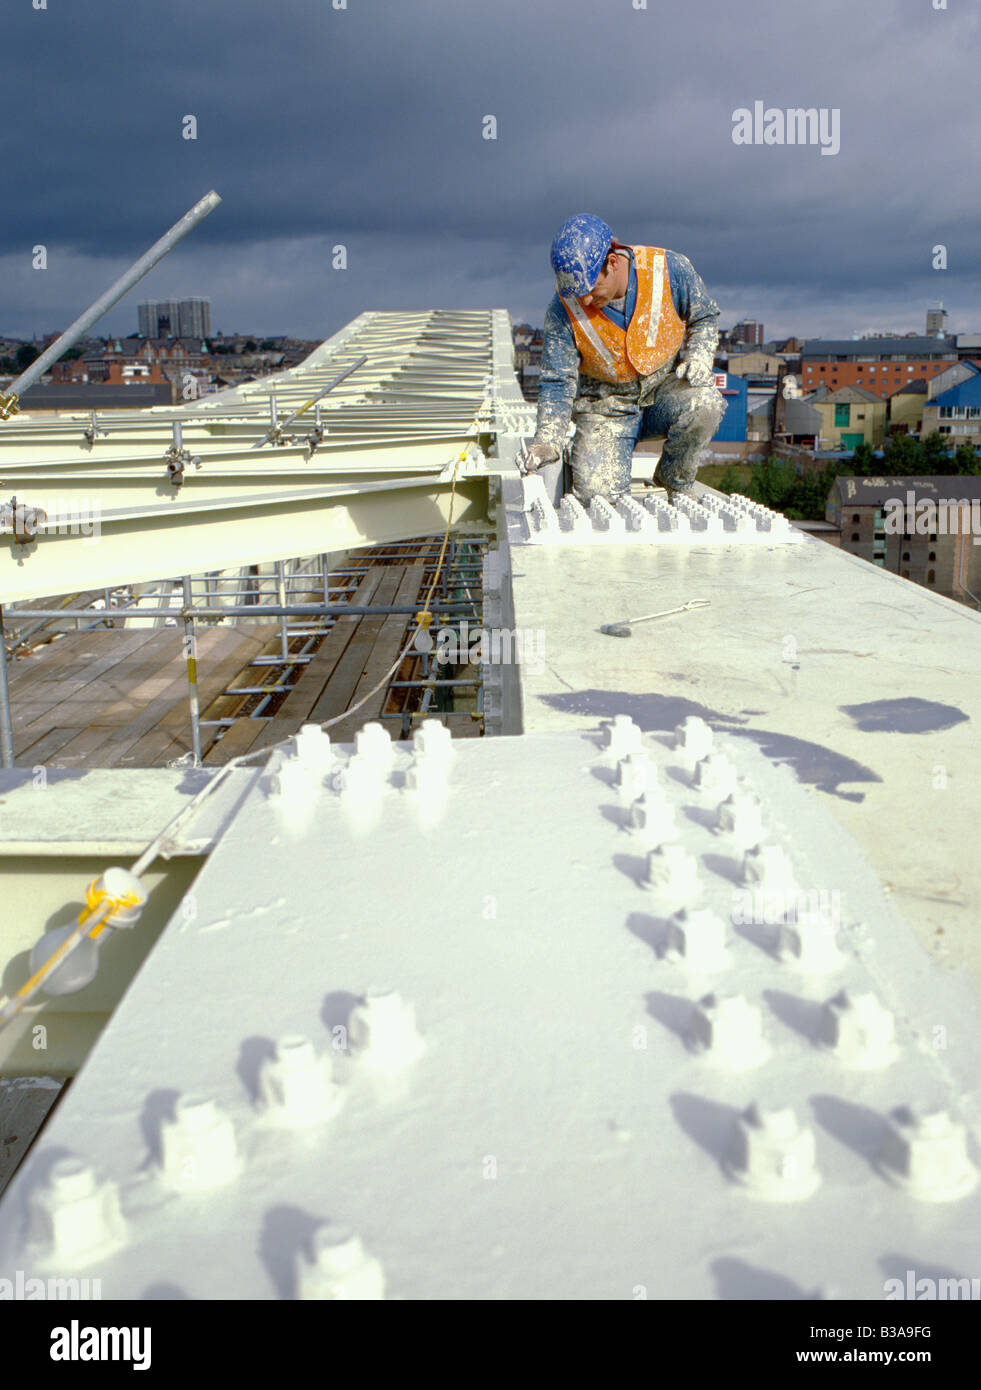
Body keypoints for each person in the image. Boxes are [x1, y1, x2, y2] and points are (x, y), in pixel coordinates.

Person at [525, 214, 726, 506]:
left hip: (661, 394)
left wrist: (699, 357)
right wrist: (547, 440)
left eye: (592, 291)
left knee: (705, 403)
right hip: (605, 408)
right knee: (598, 502)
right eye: (579, 296)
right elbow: (557, 380)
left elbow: (704, 316)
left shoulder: (668, 269)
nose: (587, 303)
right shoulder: (562, 310)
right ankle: (581, 459)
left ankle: (675, 478)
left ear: (613, 262)